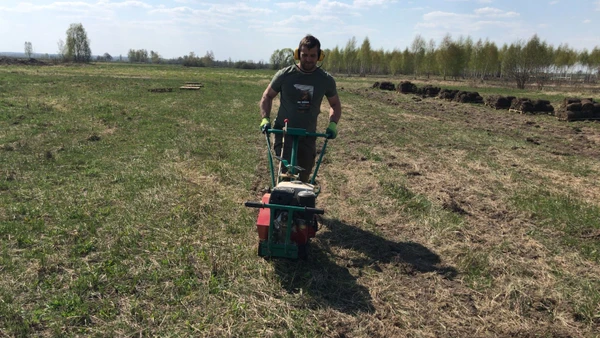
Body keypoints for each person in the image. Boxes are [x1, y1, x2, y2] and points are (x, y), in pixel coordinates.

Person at [258, 34, 342, 183]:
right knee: (288, 171)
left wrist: (333, 124)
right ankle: (283, 203)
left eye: (312, 55)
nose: (308, 59)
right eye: (304, 55)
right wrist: (265, 118)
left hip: (308, 135)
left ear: (319, 56)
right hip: (284, 132)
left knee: (304, 175)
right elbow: (267, 96)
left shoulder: (325, 80)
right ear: (298, 54)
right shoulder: (285, 75)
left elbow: (334, 104)